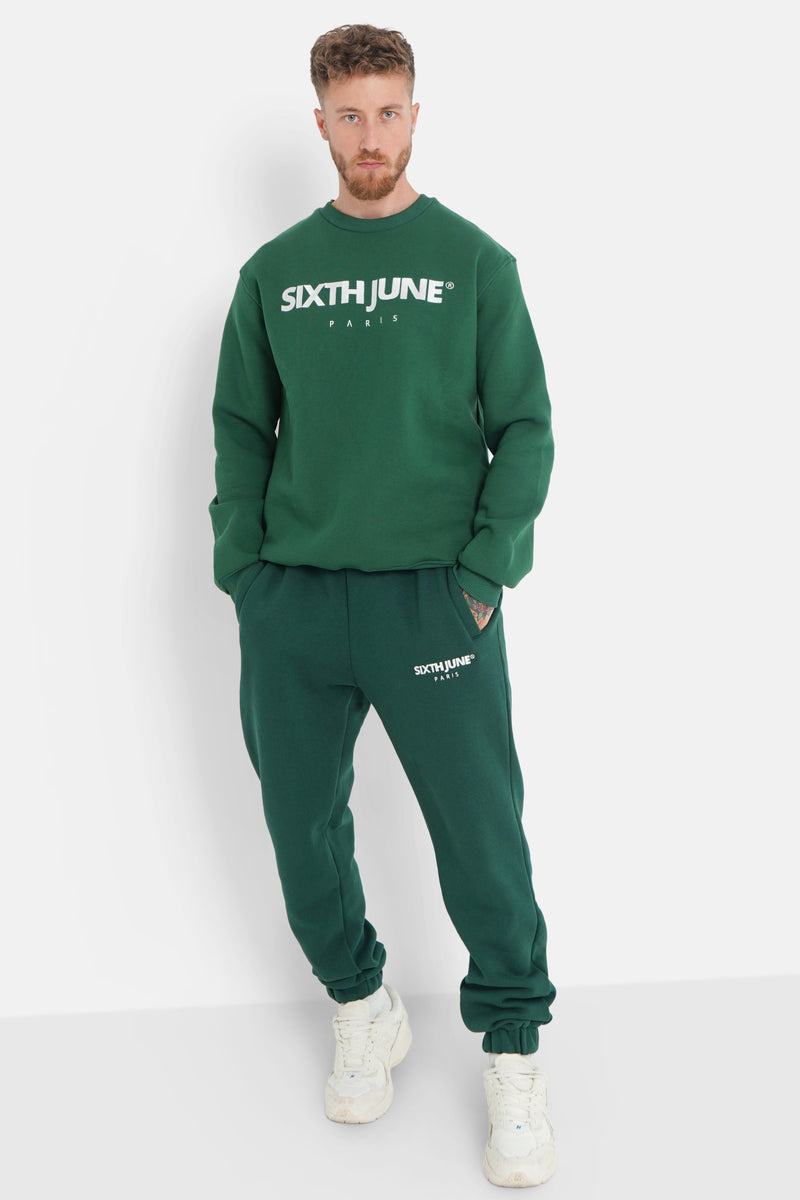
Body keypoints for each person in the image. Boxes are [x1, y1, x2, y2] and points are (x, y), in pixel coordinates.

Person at [208, 23, 558, 1189]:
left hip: (431, 603)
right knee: (298, 830)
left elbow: (525, 428)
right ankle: (361, 1002)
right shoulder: (273, 273)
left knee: (479, 838)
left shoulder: (471, 262)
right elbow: (239, 427)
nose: (371, 135)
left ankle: (511, 1048)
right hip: (295, 603)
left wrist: (483, 575)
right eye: (350, 114)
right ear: (320, 122)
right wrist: (244, 568)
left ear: (415, 114)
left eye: (389, 111)